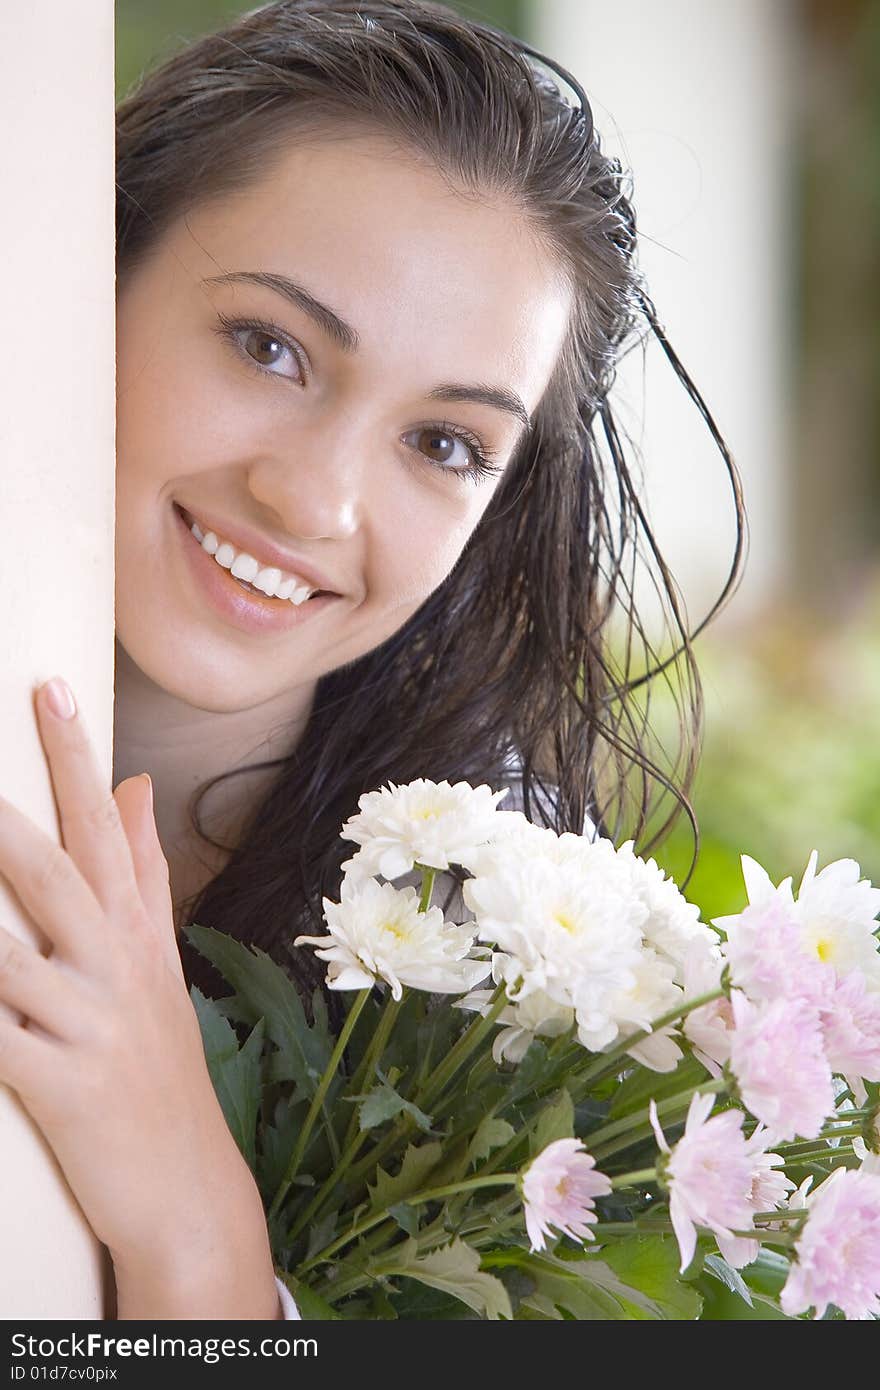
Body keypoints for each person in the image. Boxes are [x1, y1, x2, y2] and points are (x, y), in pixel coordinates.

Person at [0, 0, 743, 1319]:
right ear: (89, 279)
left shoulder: (496, 1034)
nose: (315, 500)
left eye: (444, 442)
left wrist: (197, 1228)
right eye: (269, 346)